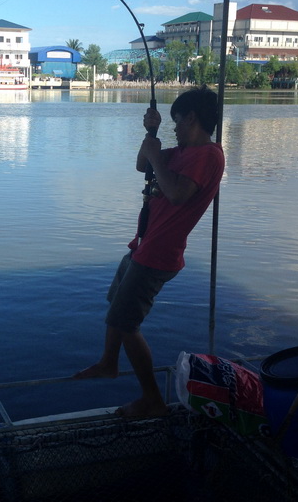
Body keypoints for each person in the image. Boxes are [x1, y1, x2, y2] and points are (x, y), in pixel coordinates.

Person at [74, 87, 225, 418]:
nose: (175, 128)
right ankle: (108, 363)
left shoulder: (208, 156)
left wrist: (158, 156)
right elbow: (142, 163)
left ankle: (152, 399)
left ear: (191, 118)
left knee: (127, 324)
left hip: (159, 254)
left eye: (176, 121)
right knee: (116, 305)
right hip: (144, 245)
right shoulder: (181, 151)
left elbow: (176, 194)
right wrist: (151, 133)